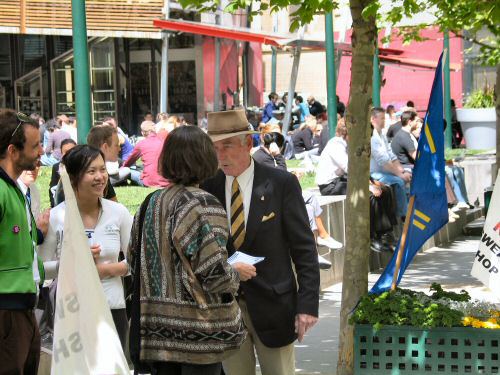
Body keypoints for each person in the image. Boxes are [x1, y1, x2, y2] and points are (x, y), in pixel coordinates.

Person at [201, 109, 320, 375]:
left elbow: (304, 249)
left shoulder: (281, 183)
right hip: (225, 310)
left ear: (248, 143)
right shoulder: (206, 188)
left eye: (228, 146)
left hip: (275, 307)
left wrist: (308, 305)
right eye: (215, 148)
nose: (221, 155)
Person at [128, 126, 244, 374]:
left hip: (155, 335)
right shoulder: (203, 204)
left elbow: (133, 260)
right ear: (206, 157)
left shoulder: (151, 203)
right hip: (198, 337)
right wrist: (237, 274)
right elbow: (213, 273)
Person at [39, 145, 133, 350]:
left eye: (103, 169)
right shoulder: (57, 216)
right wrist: (73, 261)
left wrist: (104, 270)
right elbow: (42, 268)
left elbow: (135, 262)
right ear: (73, 178)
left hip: (112, 307)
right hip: (72, 311)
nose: (100, 176)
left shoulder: (119, 213)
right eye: (91, 171)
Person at [0, 109, 45, 374]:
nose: (41, 152)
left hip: (23, 309)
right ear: (13, 151)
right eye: (35, 145)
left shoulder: (16, 189)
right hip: (7, 312)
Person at [370, 107, 411, 220]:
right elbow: (383, 162)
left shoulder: (382, 136)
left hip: (386, 172)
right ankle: (403, 215)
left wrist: (402, 171)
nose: (385, 121)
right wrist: (400, 175)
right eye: (382, 118)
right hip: (375, 174)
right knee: (398, 181)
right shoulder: (372, 138)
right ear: (373, 119)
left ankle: (409, 209)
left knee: (408, 175)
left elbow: (392, 157)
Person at [123, 120, 169, 187]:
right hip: (166, 181)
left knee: (129, 171)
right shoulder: (164, 142)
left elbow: (128, 163)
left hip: (149, 182)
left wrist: (122, 168)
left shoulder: (141, 144)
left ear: (142, 132)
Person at [316, 124, 348, 196]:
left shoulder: (341, 143)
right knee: (362, 189)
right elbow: (347, 166)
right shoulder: (336, 144)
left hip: (337, 181)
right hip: (329, 186)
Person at [48, 138, 76, 207]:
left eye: (72, 151)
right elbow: (53, 188)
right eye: (66, 152)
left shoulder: (82, 166)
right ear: (61, 153)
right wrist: (54, 207)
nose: (69, 154)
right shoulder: (57, 167)